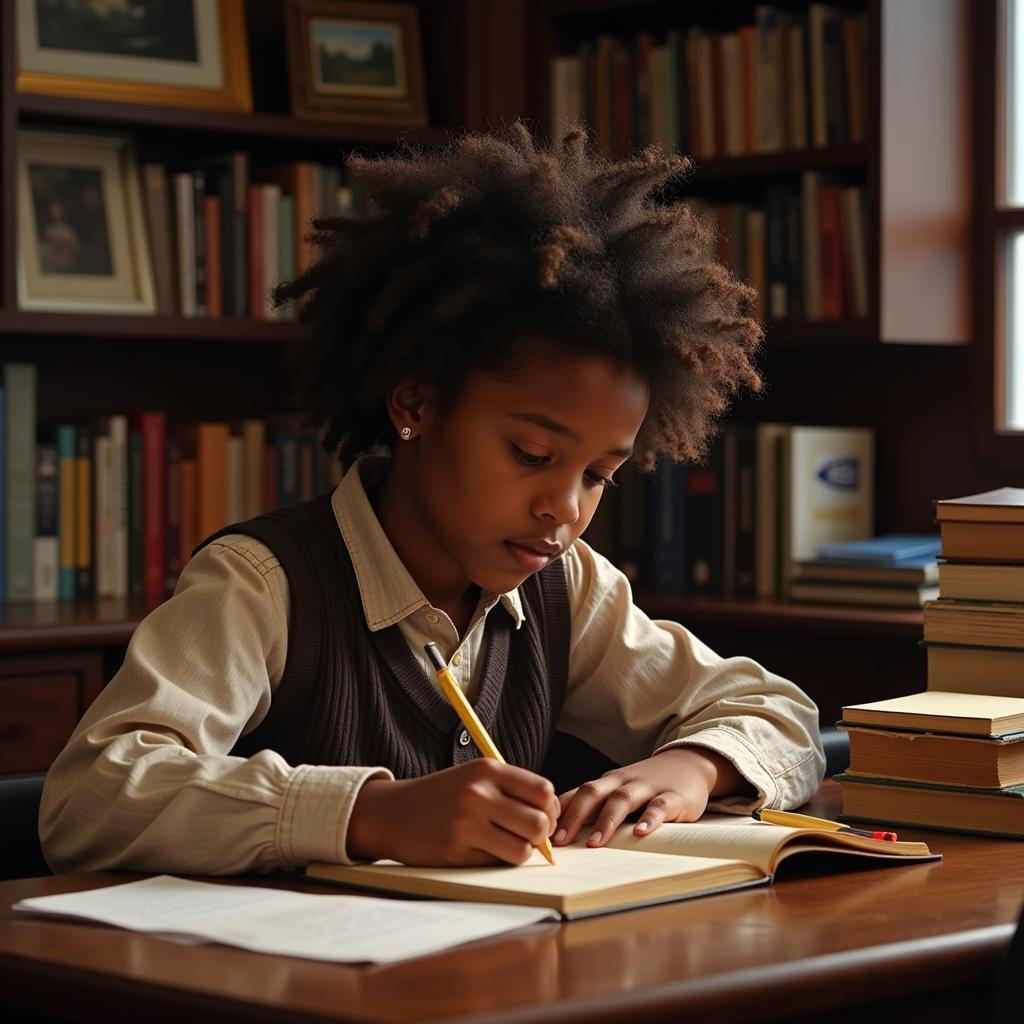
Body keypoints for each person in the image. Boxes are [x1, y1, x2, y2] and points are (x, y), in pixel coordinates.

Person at [40, 123, 824, 874]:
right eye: (531, 454)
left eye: (597, 475)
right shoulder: (264, 584)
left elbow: (780, 715)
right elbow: (89, 799)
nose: (565, 509)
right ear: (414, 405)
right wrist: (369, 814)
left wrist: (695, 767)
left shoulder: (566, 587)